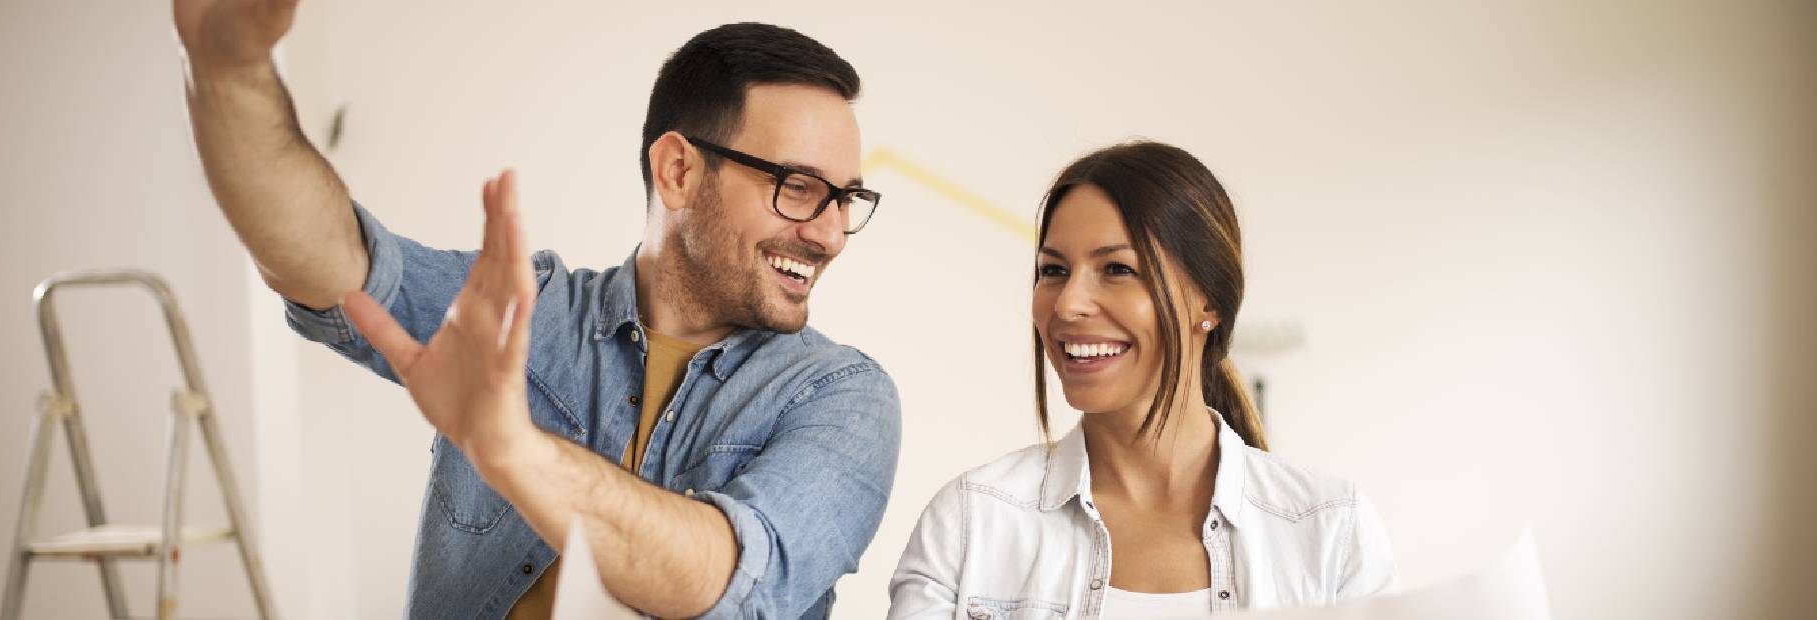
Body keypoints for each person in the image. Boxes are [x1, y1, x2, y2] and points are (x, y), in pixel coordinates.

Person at [173, 1, 900, 617]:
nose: (831, 232)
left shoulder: (841, 398)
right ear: (678, 170)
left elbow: (727, 575)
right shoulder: (530, 311)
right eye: (798, 187)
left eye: (846, 199)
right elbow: (330, 265)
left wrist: (516, 450)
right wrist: (229, 75)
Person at [886, 142, 1395, 618]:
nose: (1067, 304)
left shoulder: (1330, 530)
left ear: (1208, 302)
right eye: (1054, 270)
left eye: (1117, 269)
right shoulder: (972, 521)